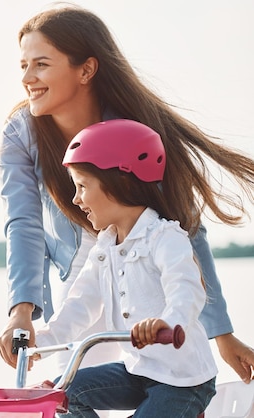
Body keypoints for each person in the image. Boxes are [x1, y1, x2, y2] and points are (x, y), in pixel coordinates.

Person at [0, 3, 254, 385]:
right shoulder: (21, 134)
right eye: (23, 65)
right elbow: (23, 224)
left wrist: (221, 332)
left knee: (169, 378)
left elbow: (183, 227)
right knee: (71, 387)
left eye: (42, 64)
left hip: (145, 253)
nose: (27, 77)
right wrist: (21, 311)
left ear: (86, 69)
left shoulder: (136, 130)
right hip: (86, 260)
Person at [35, 118, 217, 418]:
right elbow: (80, 304)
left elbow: (186, 289)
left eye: (82, 186)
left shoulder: (163, 237)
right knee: (61, 394)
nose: (76, 199)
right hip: (138, 369)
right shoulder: (105, 246)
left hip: (183, 381)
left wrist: (168, 322)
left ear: (119, 182)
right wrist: (42, 341)